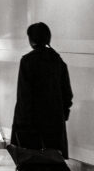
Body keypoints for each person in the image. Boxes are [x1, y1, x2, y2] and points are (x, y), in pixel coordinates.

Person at [11, 22, 74, 158]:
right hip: (54, 123)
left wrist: (22, 123)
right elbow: (67, 92)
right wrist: (63, 114)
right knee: (52, 162)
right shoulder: (58, 60)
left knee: (31, 163)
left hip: (32, 124)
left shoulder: (27, 61)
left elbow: (24, 95)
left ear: (31, 39)